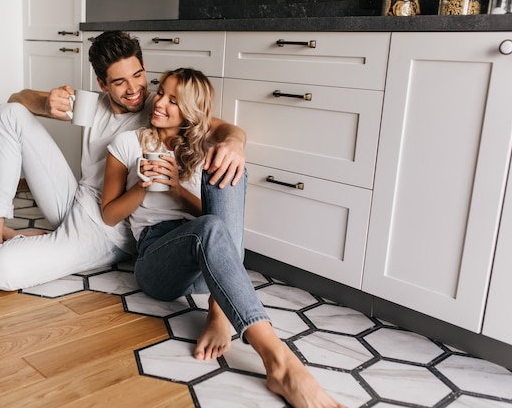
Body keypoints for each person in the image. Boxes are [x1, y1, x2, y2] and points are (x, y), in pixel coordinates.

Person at [0, 31, 246, 292]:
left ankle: (49, 245)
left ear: (144, 67)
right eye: (119, 82)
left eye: (138, 75)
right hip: (74, 200)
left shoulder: (158, 107)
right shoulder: (91, 106)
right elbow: (16, 98)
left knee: (0, 270)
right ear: (102, 84)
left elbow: (218, 126)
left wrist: (235, 141)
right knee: (8, 114)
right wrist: (46, 102)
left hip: (107, 228)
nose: (134, 89)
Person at [101, 67, 344, 408]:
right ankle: (279, 361)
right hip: (157, 262)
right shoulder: (127, 143)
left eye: (174, 100)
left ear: (191, 112)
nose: (159, 103)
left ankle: (220, 312)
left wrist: (176, 190)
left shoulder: (203, 149)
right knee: (210, 228)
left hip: (209, 262)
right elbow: (109, 214)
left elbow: (210, 216)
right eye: (161, 93)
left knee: (230, 171)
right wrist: (142, 189)